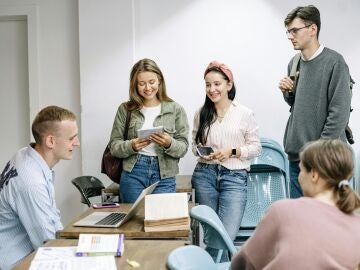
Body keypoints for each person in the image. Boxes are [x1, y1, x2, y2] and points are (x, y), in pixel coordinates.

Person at [231, 139, 360, 270]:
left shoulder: (283, 211)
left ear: (314, 175)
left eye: (301, 170)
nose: (299, 177)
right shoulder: (357, 225)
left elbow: (243, 263)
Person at [278, 5, 351, 198]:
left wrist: (317, 154)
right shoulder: (294, 62)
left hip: (325, 160)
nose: (290, 36)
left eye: (295, 30)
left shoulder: (335, 63)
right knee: (299, 222)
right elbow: (299, 105)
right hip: (297, 159)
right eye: (288, 31)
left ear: (313, 29)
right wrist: (289, 92)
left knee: (328, 223)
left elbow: (339, 114)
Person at [191, 60, 261, 261]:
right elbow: (193, 145)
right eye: (207, 84)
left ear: (229, 85)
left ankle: (209, 265)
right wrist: (202, 152)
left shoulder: (245, 113)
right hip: (204, 175)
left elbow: (256, 148)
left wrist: (231, 151)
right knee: (213, 235)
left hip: (235, 178)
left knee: (226, 235)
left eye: (217, 84)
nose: (212, 89)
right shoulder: (201, 113)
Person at [0, 106, 80, 269]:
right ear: (50, 141)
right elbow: (48, 243)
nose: (77, 143)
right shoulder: (31, 183)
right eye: (72, 138)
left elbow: (51, 217)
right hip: (15, 262)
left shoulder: (26, 154)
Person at [109, 58, 189, 203]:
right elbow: (114, 146)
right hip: (133, 173)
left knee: (160, 222)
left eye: (151, 82)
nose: (147, 88)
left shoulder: (175, 109)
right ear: (135, 85)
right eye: (141, 83)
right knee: (132, 222)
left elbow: (183, 148)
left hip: (164, 174)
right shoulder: (125, 109)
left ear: (159, 81)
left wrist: (169, 143)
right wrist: (131, 145)